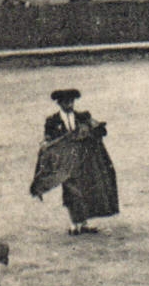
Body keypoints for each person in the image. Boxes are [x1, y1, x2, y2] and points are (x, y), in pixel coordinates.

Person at [30, 89, 119, 235]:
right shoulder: (52, 121)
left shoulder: (83, 117)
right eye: (66, 102)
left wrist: (91, 129)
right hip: (65, 162)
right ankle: (73, 224)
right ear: (59, 103)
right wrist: (45, 143)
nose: (69, 104)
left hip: (83, 160)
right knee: (71, 191)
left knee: (84, 190)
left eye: (71, 101)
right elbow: (48, 139)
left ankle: (83, 224)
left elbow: (101, 132)